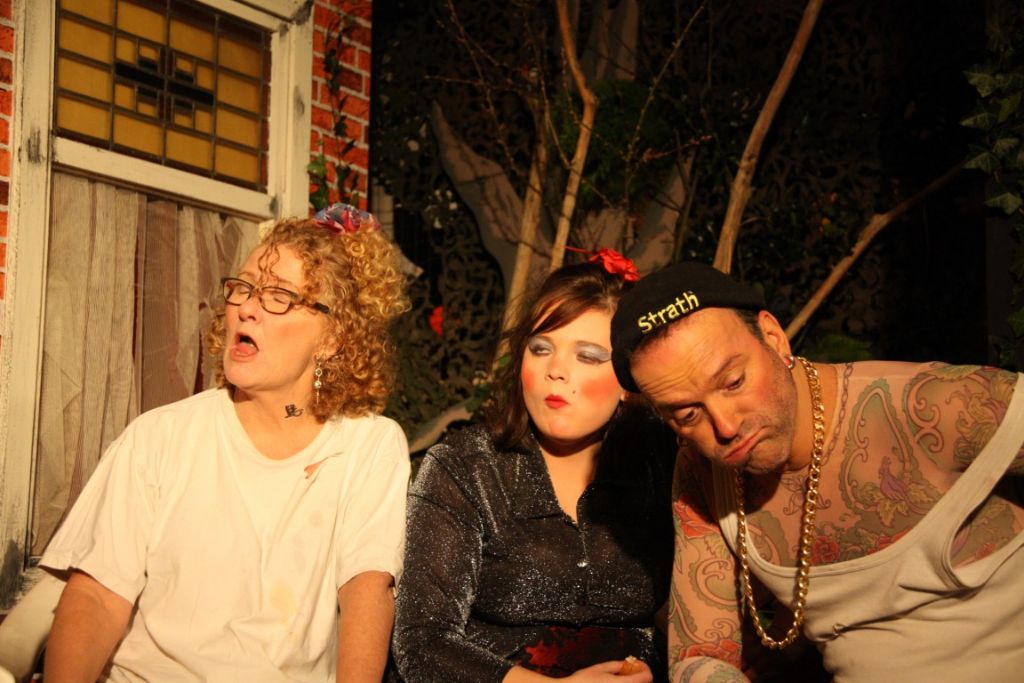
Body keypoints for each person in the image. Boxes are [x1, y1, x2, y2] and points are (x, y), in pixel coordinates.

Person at [40, 204, 412, 683]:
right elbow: (95, 596)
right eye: (244, 287)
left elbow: (367, 589)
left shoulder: (368, 445)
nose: (247, 308)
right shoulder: (159, 437)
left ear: (332, 337)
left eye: (279, 296)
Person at [607, 261, 1024, 683]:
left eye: (733, 382)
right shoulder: (703, 471)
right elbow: (699, 653)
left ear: (773, 337)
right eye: (687, 414)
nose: (725, 426)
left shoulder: (936, 407)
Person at [392, 254, 677, 683]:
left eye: (588, 356)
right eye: (541, 348)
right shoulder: (465, 469)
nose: (555, 371)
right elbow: (421, 645)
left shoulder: (663, 465)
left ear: (629, 378)